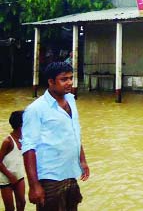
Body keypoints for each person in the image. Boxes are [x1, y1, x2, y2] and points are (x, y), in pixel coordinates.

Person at [22, 62, 89, 210]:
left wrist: (82, 160)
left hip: (70, 172)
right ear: (51, 82)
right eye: (64, 79)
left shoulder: (71, 100)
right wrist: (34, 186)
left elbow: (74, 132)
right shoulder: (36, 109)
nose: (70, 82)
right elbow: (28, 148)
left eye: (71, 78)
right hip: (50, 177)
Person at [0, 111, 26, 211]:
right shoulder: (8, 141)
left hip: (18, 176)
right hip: (6, 178)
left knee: (22, 203)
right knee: (10, 208)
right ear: (21, 125)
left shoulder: (24, 139)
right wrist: (10, 176)